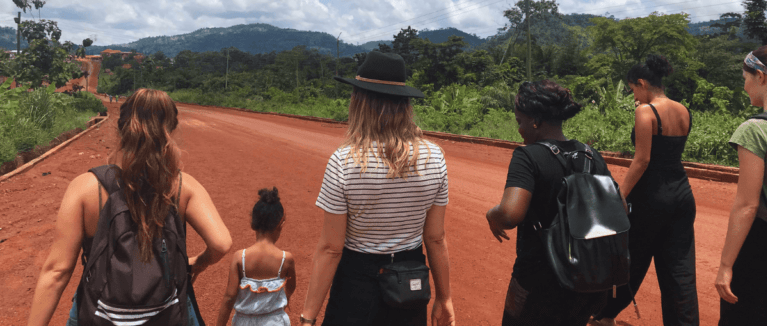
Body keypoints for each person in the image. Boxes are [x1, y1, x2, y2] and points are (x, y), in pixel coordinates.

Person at [27, 88, 233, 326]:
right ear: (171, 129)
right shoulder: (182, 186)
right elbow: (221, 243)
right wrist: (198, 263)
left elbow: (56, 272)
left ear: (121, 128)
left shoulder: (86, 188)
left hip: (99, 314)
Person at [301, 51, 455, 326]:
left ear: (360, 101)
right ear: (406, 103)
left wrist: (307, 318)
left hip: (357, 287)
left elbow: (331, 249)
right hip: (410, 286)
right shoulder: (435, 158)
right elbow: (435, 239)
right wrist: (445, 299)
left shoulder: (344, 161)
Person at [486, 79, 611, 325]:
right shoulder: (590, 155)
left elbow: (510, 213)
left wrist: (492, 215)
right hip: (586, 279)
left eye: (520, 122)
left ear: (535, 121)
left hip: (538, 280)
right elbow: (608, 216)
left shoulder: (528, 156)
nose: (519, 130)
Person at [593, 55, 699, 325]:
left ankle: (605, 316)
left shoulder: (645, 112)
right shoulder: (683, 109)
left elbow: (642, 160)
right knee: (680, 269)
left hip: (651, 198)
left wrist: (619, 197)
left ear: (642, 83)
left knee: (632, 259)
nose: (634, 96)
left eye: (633, 89)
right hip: (682, 195)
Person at [715, 46, 767, 325]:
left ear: (761, 76)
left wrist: (725, 266)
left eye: (745, 77)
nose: (744, 85)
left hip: (760, 246)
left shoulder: (755, 129)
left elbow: (748, 205)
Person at [216, 187, 296, 326]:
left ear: (252, 222)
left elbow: (229, 298)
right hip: (274, 321)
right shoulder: (286, 259)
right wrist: (286, 298)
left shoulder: (239, 258)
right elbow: (291, 285)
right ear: (281, 222)